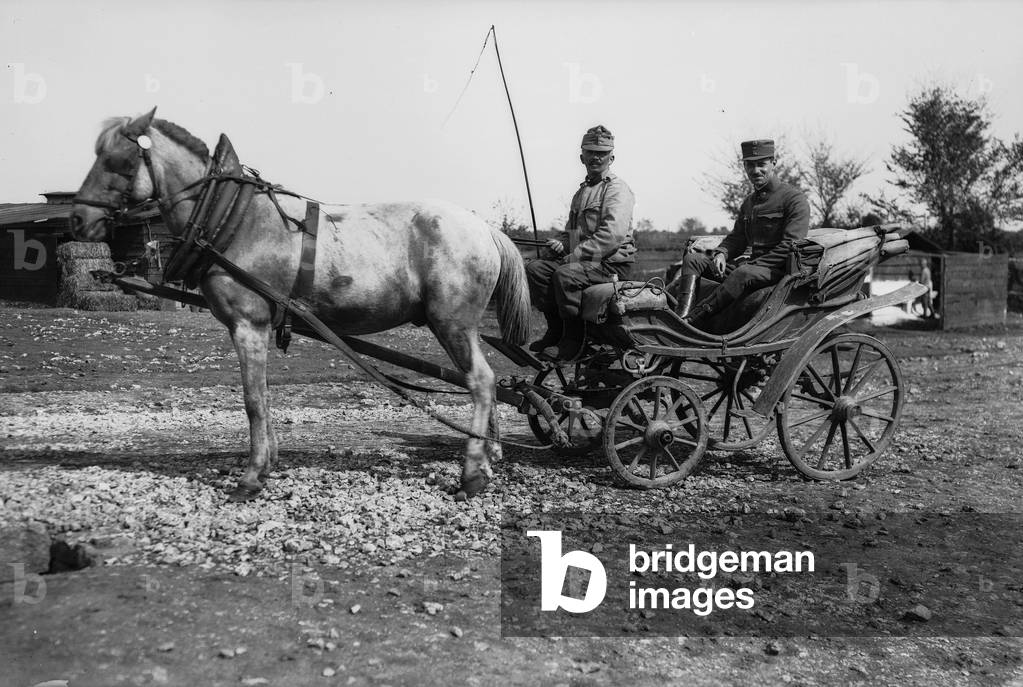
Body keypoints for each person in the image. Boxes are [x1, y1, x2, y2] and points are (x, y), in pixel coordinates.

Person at [669, 139, 810, 326]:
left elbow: (790, 246)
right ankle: (680, 316)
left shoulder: (794, 199)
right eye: (750, 165)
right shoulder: (749, 202)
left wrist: (752, 265)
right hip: (749, 269)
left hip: (777, 271)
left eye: (761, 164)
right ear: (744, 166)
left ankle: (693, 320)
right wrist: (721, 253)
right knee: (694, 260)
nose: (755, 170)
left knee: (742, 272)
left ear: (773, 164)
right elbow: (737, 238)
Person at [525, 125, 636, 359]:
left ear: (611, 158)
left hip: (612, 264)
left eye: (602, 153)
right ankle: (556, 332)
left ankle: (575, 341)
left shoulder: (617, 189)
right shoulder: (582, 192)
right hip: (587, 262)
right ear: (582, 157)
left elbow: (612, 236)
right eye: (590, 152)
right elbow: (573, 233)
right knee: (536, 270)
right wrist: (561, 243)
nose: (596, 157)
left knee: (566, 273)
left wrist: (575, 255)